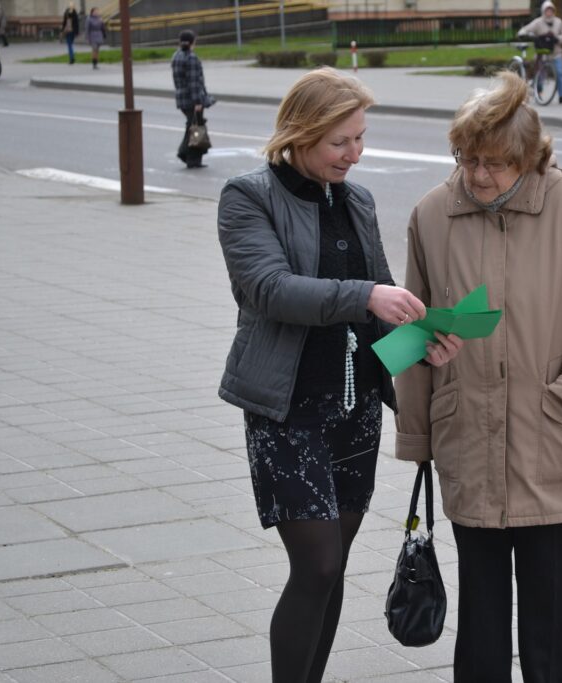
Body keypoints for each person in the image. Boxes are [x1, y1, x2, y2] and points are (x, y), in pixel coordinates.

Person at [216, 67, 462, 683]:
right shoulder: (249, 197)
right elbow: (269, 289)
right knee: (318, 565)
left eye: (360, 137)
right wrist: (367, 296)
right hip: (287, 409)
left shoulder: (357, 201)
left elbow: (376, 323)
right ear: (301, 133)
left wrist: (419, 343)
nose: (354, 153)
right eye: (340, 141)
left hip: (353, 414)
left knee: (335, 564)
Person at [395, 72, 562, 683]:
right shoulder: (431, 216)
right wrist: (421, 415)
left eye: (495, 164)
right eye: (467, 159)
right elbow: (410, 333)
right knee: (480, 624)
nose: (477, 176)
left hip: (548, 442)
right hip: (469, 444)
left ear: (529, 158)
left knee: (551, 625)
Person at [171, 30, 214, 169]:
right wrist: (198, 102)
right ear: (192, 42)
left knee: (193, 126)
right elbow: (194, 82)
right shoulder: (191, 58)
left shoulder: (176, 56)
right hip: (193, 100)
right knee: (195, 128)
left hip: (182, 99)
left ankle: (191, 157)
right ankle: (188, 156)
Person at [518, 0, 562, 104]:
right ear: (543, 11)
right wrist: (522, 33)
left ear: (553, 11)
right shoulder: (538, 22)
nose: (549, 12)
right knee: (540, 75)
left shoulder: (558, 22)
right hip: (542, 53)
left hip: (556, 53)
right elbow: (527, 29)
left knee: (559, 73)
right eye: (547, 10)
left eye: (551, 10)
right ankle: (539, 92)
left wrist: (558, 39)